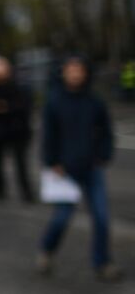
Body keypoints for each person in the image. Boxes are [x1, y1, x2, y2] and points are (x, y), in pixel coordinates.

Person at [37, 56, 119, 281]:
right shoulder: (54, 101)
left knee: (101, 217)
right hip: (65, 170)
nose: (75, 74)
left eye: (79, 70)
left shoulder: (94, 101)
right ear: (64, 73)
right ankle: (47, 250)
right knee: (62, 218)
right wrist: (52, 162)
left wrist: (104, 155)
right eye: (71, 70)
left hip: (92, 168)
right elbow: (49, 136)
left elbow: (106, 131)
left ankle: (102, 262)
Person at [0, 57, 35, 204]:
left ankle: (26, 191)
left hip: (16, 132)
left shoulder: (17, 87)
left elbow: (24, 107)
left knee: (21, 164)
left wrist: (6, 108)